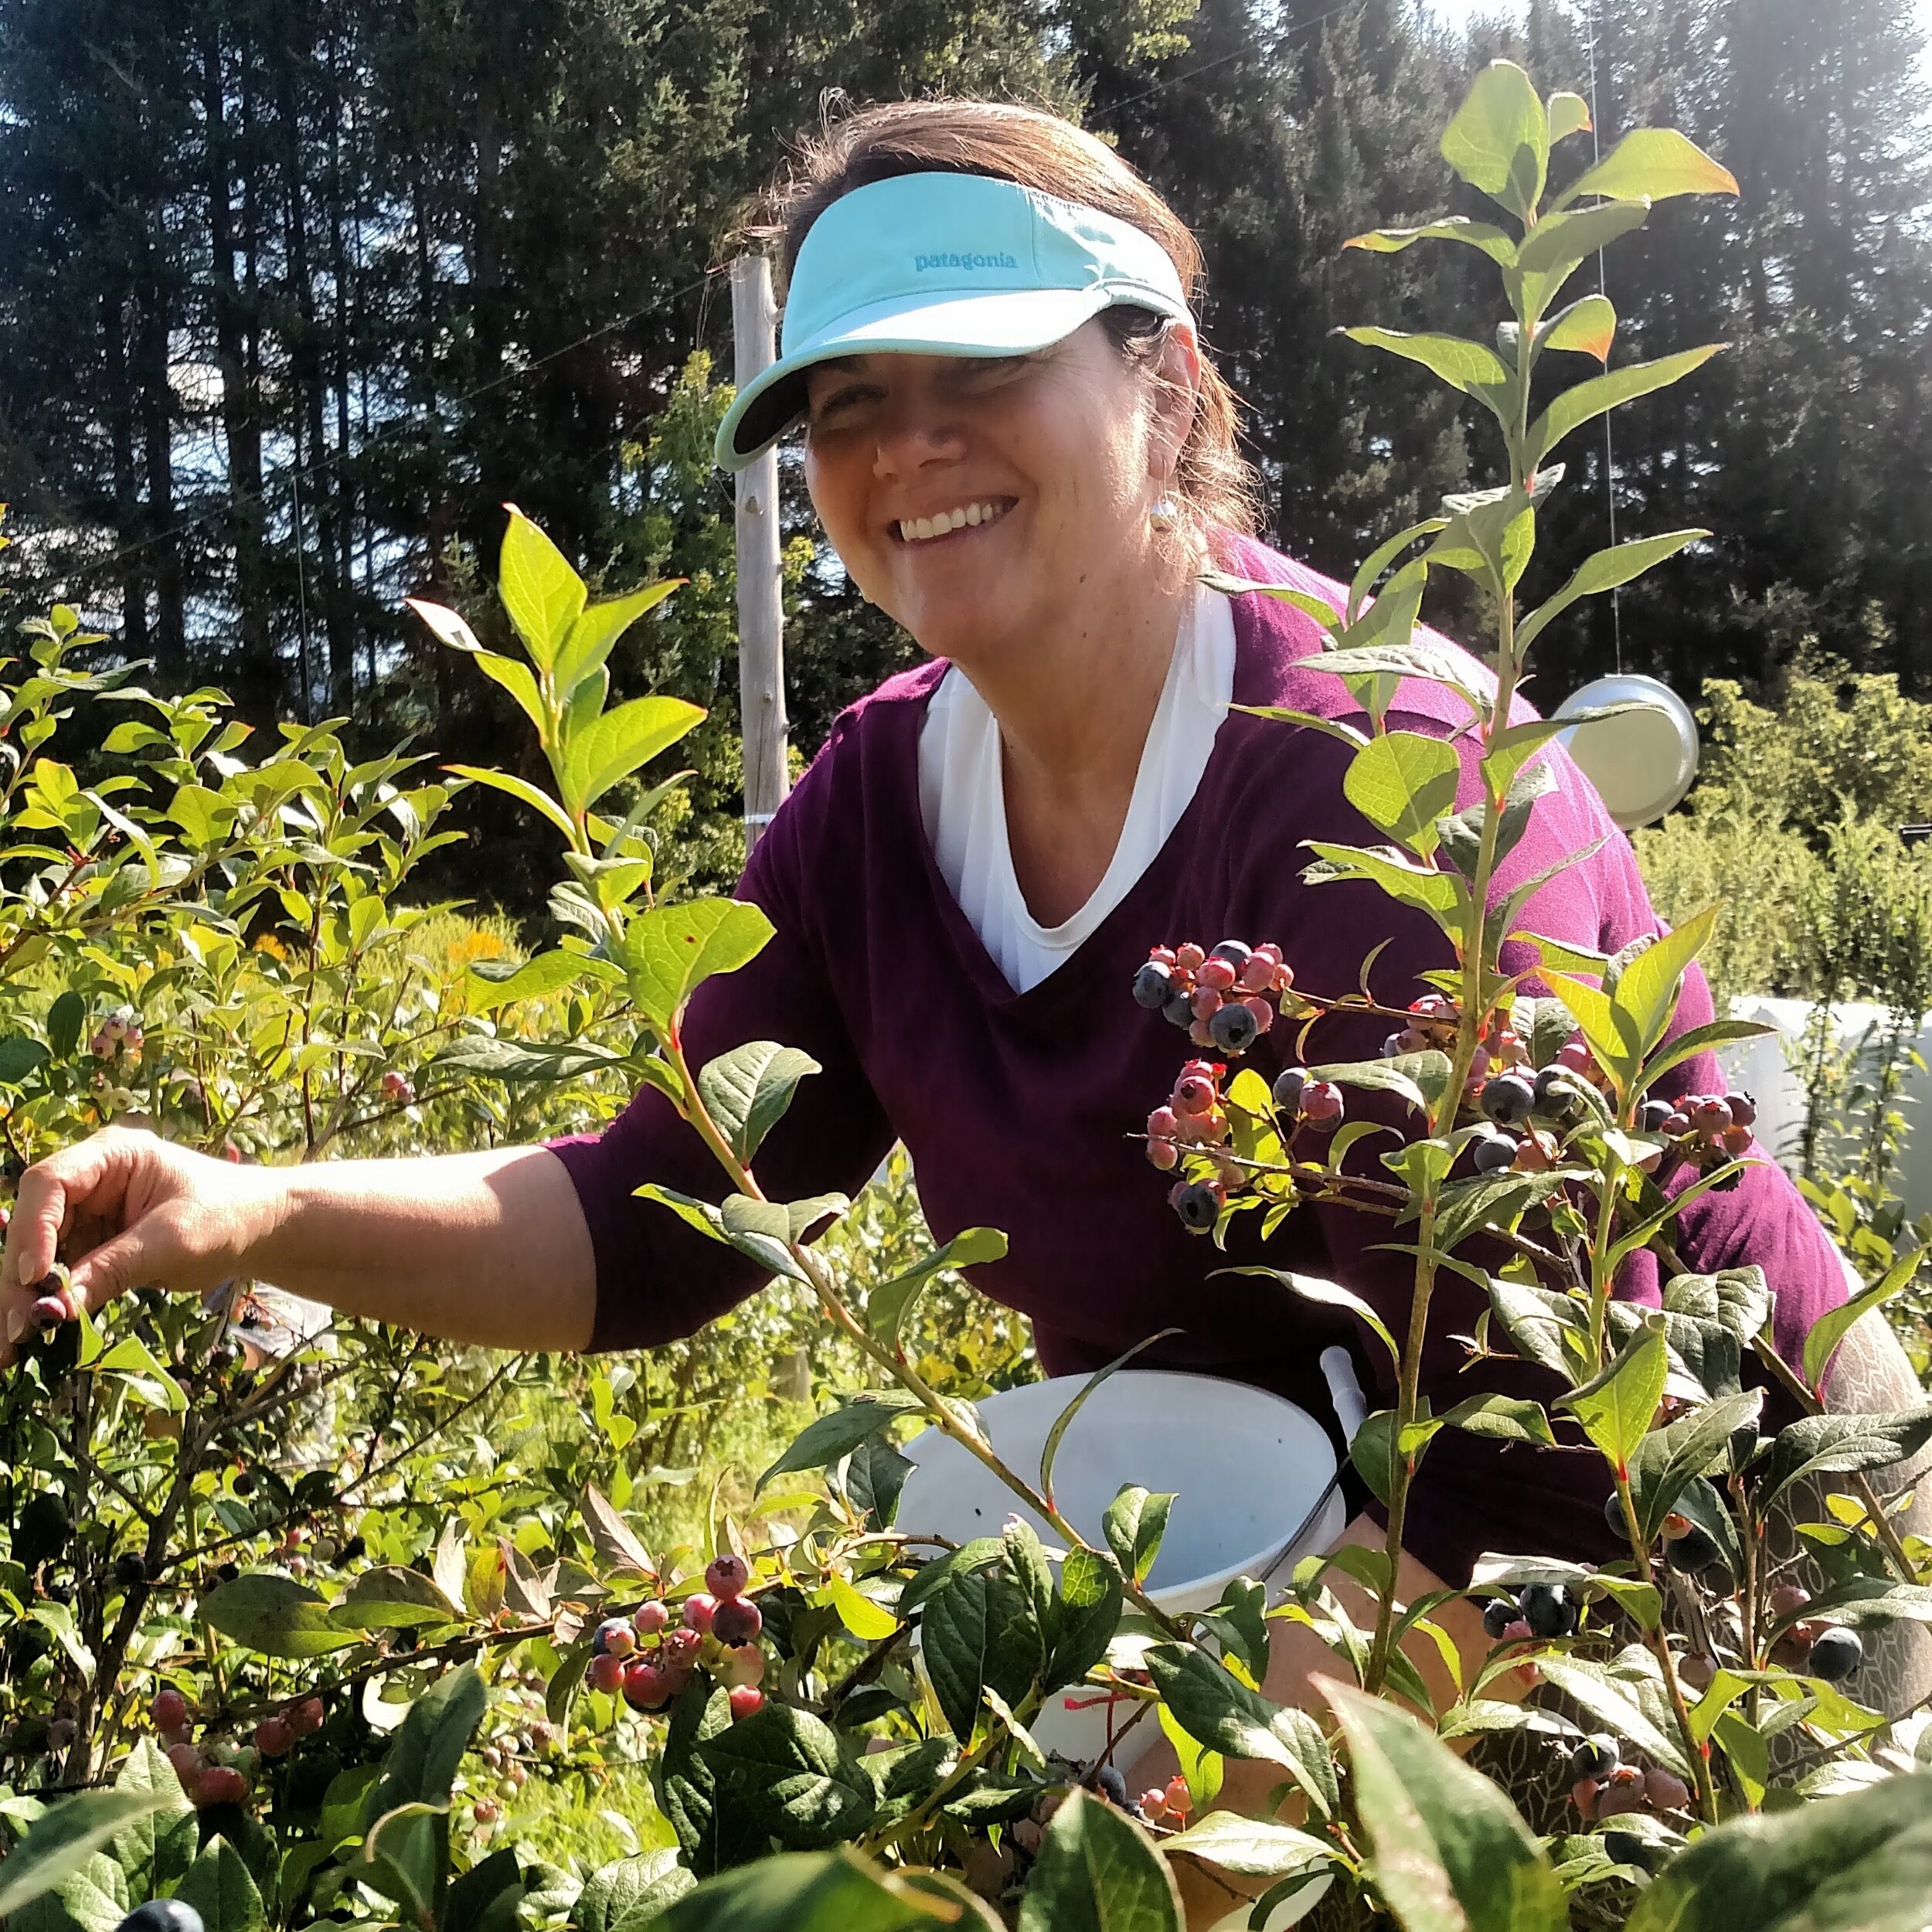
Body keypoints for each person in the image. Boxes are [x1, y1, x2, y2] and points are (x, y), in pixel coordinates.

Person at [0, 99, 1904, 1880]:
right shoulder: (874, 814)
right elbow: (660, 1223)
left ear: (1153, 378)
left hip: (1734, 1586)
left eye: (980, 370)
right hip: (1269, 1614)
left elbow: (1576, 1448)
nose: (905, 448)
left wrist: (1186, 1815)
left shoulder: (1388, 787)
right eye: (845, 403)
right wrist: (245, 1206)